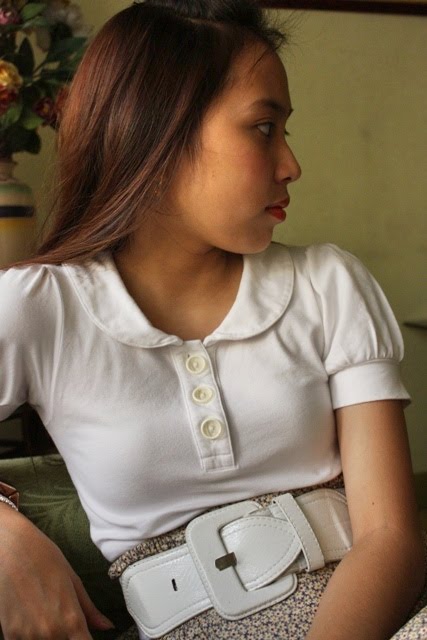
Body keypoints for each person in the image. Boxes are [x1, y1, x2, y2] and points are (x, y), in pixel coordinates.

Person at [0, 1, 425, 639]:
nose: (291, 164)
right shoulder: (40, 304)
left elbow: (389, 535)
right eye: (263, 128)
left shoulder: (329, 283)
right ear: (154, 131)